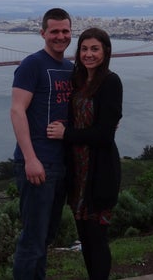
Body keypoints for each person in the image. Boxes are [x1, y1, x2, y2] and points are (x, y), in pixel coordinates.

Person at [47, 27, 123, 280]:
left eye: (95, 49)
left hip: (99, 172)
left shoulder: (111, 81)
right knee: (85, 239)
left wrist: (66, 134)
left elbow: (104, 135)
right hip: (77, 173)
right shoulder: (77, 80)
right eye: (84, 49)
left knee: (97, 238)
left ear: (106, 51)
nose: (88, 54)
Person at [10, 7, 74, 280]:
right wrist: (30, 159)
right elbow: (16, 110)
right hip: (39, 163)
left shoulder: (70, 68)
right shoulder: (32, 65)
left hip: (61, 165)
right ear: (43, 33)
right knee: (33, 241)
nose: (60, 36)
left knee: (46, 236)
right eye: (54, 31)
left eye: (65, 31)